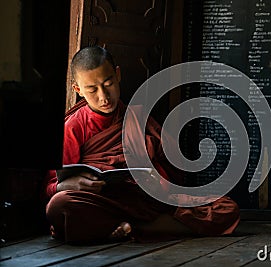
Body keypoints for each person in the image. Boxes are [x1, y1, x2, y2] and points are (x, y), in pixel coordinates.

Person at [42, 46, 240, 244]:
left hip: (145, 200)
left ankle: (130, 228)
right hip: (103, 202)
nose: (103, 96)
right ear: (78, 90)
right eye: (92, 89)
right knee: (59, 205)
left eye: (108, 83)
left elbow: (175, 164)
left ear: (118, 75)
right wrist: (66, 185)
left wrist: (156, 169)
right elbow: (50, 185)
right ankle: (146, 228)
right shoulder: (73, 127)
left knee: (226, 208)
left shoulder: (136, 117)